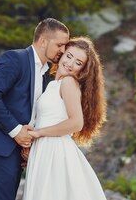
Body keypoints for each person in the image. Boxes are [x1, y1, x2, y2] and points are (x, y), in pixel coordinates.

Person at [0, 18, 70, 200]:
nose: (63, 51)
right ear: (43, 40)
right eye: (60, 45)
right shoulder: (15, 58)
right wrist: (16, 131)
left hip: (17, 150)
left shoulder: (47, 73)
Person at [22, 36, 108, 200]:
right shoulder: (53, 84)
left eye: (78, 62)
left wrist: (39, 133)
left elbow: (76, 123)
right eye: (69, 56)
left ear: (82, 69)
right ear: (62, 54)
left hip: (54, 149)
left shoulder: (68, 82)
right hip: (45, 148)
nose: (70, 63)